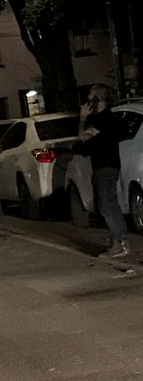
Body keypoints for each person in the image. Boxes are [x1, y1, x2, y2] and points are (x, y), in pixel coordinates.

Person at [78, 84, 128, 258]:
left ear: (97, 100)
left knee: (106, 206)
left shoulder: (98, 119)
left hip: (104, 166)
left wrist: (82, 118)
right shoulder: (110, 118)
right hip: (110, 165)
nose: (87, 100)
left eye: (91, 97)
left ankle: (119, 242)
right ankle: (117, 241)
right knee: (110, 203)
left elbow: (83, 138)